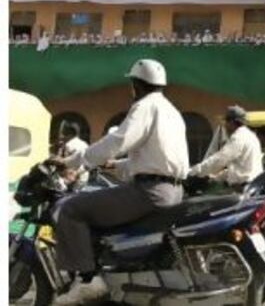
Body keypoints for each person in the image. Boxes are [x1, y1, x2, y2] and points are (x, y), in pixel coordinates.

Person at [50, 59, 189, 305]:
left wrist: (72, 161)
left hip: (150, 192)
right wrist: (116, 166)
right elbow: (157, 159)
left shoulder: (145, 106)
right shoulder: (172, 111)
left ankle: (87, 280)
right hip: (172, 190)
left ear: (136, 84)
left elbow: (117, 141)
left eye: (132, 83)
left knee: (72, 208)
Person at [188, 105, 263, 190]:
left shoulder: (238, 137)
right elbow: (239, 169)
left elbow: (220, 159)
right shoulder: (250, 136)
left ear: (231, 122)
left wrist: (194, 171)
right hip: (251, 186)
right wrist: (215, 178)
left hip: (244, 188)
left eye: (226, 122)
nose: (225, 126)